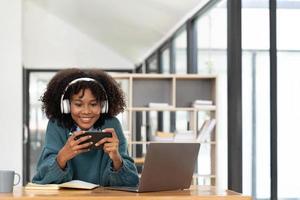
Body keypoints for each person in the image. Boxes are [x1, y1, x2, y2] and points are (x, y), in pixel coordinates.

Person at [32, 68, 139, 186]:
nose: (86, 111)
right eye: (78, 104)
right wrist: (62, 157)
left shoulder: (111, 125)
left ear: (103, 106)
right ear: (66, 105)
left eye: (93, 104)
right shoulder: (57, 125)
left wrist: (116, 158)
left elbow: (132, 181)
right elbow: (41, 178)